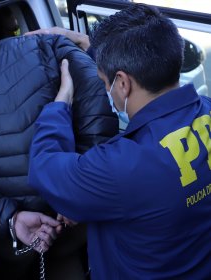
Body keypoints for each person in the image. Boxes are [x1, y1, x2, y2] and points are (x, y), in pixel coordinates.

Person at [28, 3, 211, 279]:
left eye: (104, 81)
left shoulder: (120, 166)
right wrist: (91, 46)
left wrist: (61, 101)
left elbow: (43, 166)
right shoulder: (206, 109)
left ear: (122, 83)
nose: (106, 89)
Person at [0, 7, 118, 279]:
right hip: (66, 223)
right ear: (5, 19)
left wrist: (10, 217)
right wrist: (75, 195)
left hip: (4, 237)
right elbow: (99, 116)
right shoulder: (48, 44)